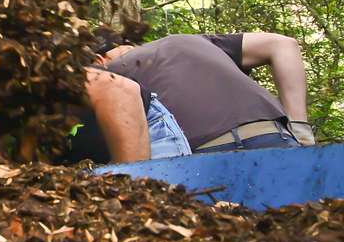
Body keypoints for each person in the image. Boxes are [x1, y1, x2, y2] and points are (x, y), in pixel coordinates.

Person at [94, 31, 314, 153]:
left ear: (98, 60)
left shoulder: (112, 76)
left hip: (203, 151)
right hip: (273, 134)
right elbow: (284, 44)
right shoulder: (194, 41)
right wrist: (300, 126)